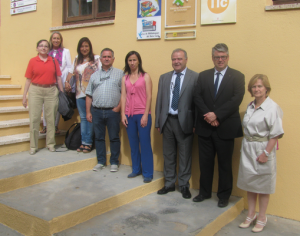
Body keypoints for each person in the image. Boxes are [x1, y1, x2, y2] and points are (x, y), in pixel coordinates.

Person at [193, 43, 245, 207]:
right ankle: (204, 192)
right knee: (205, 163)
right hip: (205, 128)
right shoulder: (203, 76)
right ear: (213, 58)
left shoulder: (237, 76)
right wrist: (209, 116)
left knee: (225, 164)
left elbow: (236, 99)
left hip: (226, 128)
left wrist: (217, 115)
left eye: (223, 57)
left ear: (228, 57)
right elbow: (197, 97)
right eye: (217, 57)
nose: (220, 60)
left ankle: (224, 196)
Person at [237, 74, 283, 233]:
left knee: (263, 186)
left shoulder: (272, 107)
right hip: (248, 148)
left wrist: (265, 153)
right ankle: (251, 214)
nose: (256, 89)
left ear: (266, 89)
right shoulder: (250, 106)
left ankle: (262, 217)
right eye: (254, 87)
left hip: (262, 149)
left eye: (259, 86)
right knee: (250, 184)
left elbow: (275, 134)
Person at [155, 48, 198, 199]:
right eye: (174, 59)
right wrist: (158, 121)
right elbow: (159, 100)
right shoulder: (164, 77)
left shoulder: (195, 77)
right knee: (168, 154)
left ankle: (184, 185)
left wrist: (196, 123)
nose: (176, 61)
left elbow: (197, 103)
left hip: (185, 122)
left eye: (179, 59)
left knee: (185, 155)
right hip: (167, 121)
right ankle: (169, 183)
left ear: (186, 59)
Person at [22, 39, 63, 155]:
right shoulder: (32, 61)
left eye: (46, 46)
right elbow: (28, 80)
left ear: (49, 49)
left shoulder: (53, 61)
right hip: (35, 90)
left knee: (51, 119)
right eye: (41, 46)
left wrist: (62, 92)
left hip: (51, 90)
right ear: (37, 48)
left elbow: (59, 78)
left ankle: (50, 144)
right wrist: (24, 96)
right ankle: (33, 146)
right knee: (34, 118)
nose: (44, 48)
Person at [86, 48, 123, 172]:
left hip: (113, 112)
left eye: (109, 56)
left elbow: (125, 94)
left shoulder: (120, 73)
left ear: (113, 59)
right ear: (100, 59)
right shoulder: (94, 75)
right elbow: (89, 94)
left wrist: (118, 108)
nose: (106, 58)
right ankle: (101, 161)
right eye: (104, 56)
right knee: (99, 138)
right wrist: (88, 112)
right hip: (96, 111)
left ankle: (114, 162)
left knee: (114, 137)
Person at [121, 51, 153, 183]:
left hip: (142, 114)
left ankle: (148, 173)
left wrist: (146, 114)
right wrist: (123, 114)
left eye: (134, 60)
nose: (132, 63)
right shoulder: (125, 78)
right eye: (130, 60)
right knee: (133, 144)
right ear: (127, 62)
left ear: (138, 61)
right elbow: (123, 96)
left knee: (145, 144)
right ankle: (136, 169)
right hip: (129, 115)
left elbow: (149, 96)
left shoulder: (145, 76)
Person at [65, 37, 101, 153]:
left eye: (86, 46)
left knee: (90, 118)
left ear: (90, 47)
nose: (84, 48)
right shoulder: (76, 59)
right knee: (83, 118)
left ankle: (89, 142)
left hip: (91, 94)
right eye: (82, 46)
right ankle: (83, 142)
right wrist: (66, 82)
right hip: (79, 93)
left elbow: (100, 73)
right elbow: (71, 72)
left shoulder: (96, 58)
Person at [41, 31, 73, 134]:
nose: (56, 40)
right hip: (47, 82)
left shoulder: (65, 51)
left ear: (61, 40)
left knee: (57, 105)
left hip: (60, 82)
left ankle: (55, 126)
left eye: (58, 38)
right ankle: (45, 126)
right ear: (51, 40)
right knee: (45, 105)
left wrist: (65, 81)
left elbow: (69, 67)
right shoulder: (46, 51)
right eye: (54, 38)